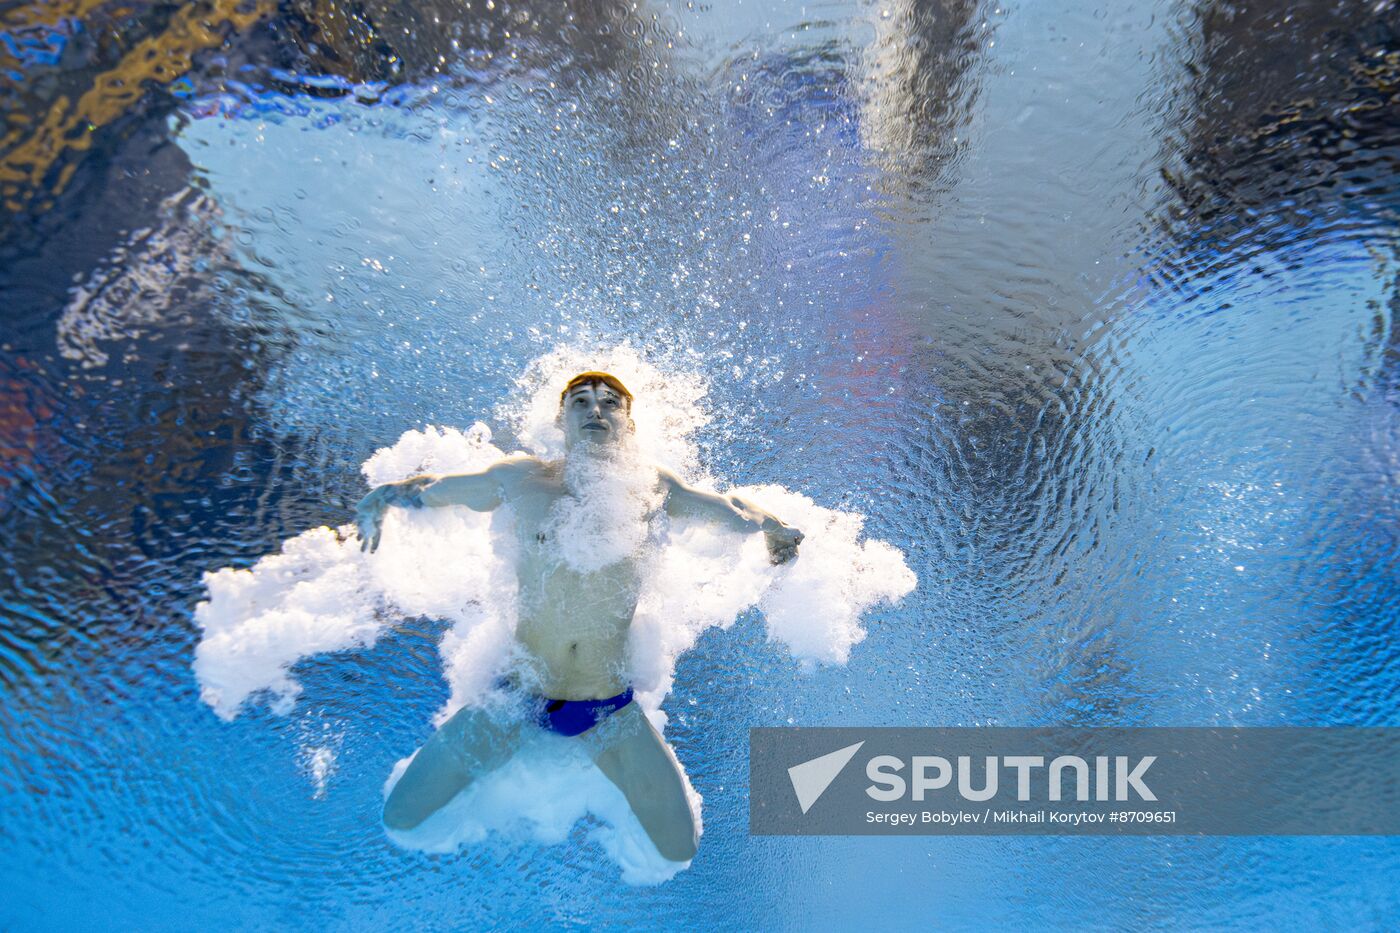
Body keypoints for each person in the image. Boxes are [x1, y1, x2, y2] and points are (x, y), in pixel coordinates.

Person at [356, 371, 803, 862]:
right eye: (581, 402)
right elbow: (439, 488)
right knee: (401, 816)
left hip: (604, 707)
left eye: (611, 403)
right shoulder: (519, 479)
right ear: (560, 419)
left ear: (628, 425)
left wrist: (772, 527)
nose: (595, 410)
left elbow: (731, 507)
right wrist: (389, 495)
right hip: (516, 696)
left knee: (678, 849)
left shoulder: (655, 489)